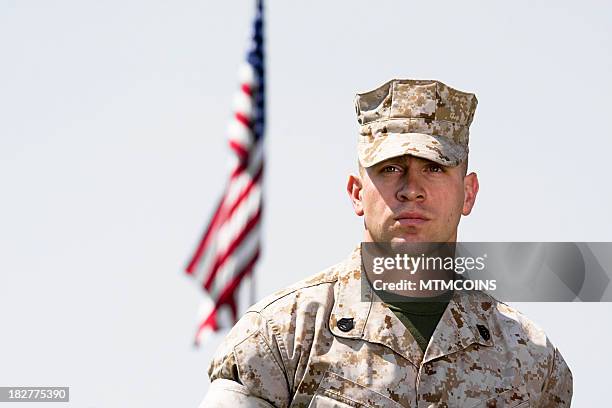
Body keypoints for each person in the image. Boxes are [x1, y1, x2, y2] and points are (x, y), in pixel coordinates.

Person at [199, 79, 573, 407]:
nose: (412, 190)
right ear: (357, 193)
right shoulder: (283, 337)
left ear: (468, 193)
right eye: (390, 169)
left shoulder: (530, 362)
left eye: (435, 168)